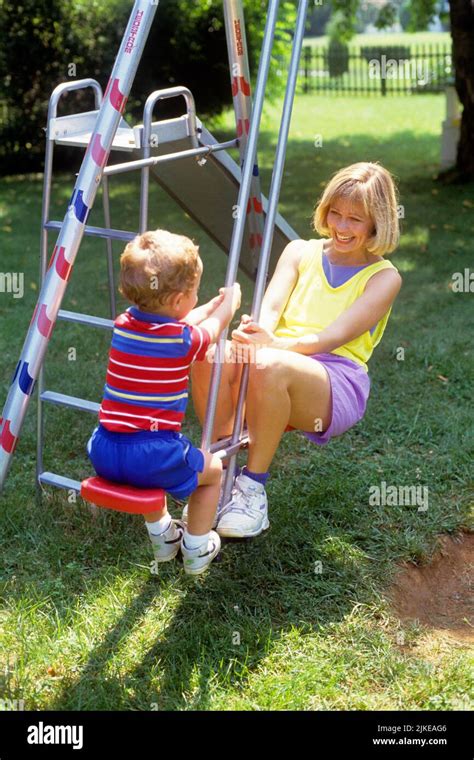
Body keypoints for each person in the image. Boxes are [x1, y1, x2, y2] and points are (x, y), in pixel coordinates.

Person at [191, 161, 403, 538]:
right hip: (276, 355)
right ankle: (222, 473)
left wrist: (272, 347)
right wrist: (258, 334)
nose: (340, 226)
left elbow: (333, 336)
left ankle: (253, 489)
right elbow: (271, 307)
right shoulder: (299, 251)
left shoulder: (384, 278)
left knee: (271, 365)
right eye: (335, 213)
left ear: (377, 222)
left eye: (355, 219)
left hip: (334, 377)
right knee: (209, 354)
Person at [86, 229, 241, 574]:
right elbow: (209, 331)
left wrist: (207, 307)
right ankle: (197, 547)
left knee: (145, 474)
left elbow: (180, 323)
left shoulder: (125, 324)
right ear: (176, 301)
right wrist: (227, 307)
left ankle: (164, 537)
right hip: (152, 452)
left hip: (105, 449)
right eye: (194, 293)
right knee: (212, 470)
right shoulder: (181, 341)